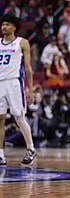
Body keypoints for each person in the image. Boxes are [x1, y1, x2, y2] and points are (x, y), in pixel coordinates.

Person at [0, 14, 37, 166]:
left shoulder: (22, 43)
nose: (4, 27)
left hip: (14, 83)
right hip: (0, 83)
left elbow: (28, 68)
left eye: (8, 24)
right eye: (3, 24)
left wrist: (30, 89)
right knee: (0, 120)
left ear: (14, 27)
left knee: (19, 117)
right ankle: (1, 155)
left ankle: (31, 148)